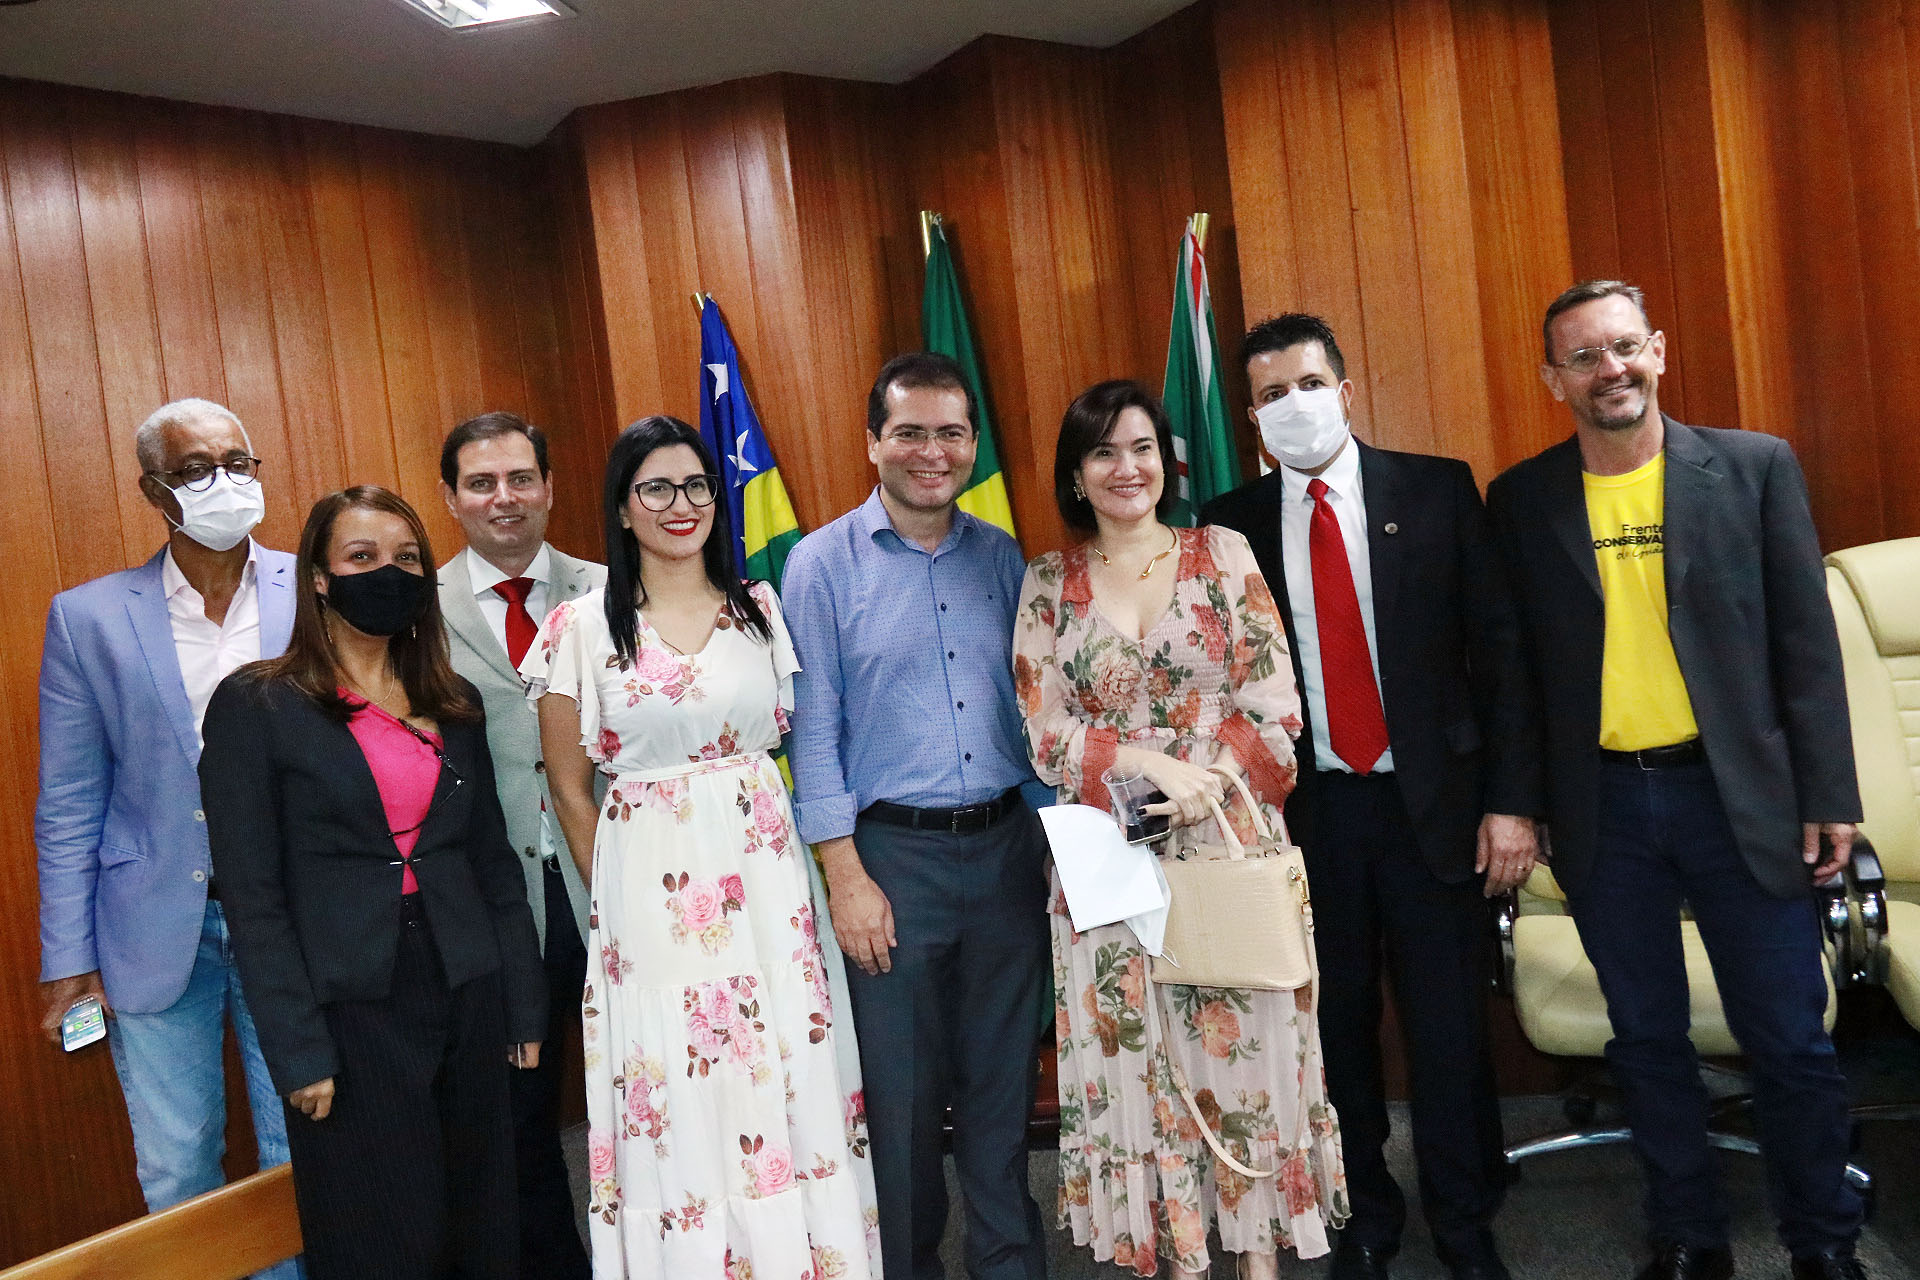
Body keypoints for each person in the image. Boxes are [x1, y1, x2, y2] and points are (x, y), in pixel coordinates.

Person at [1486, 280, 1867, 1280]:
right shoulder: (1522, 500)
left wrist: (1830, 793)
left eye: (1623, 347)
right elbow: (1514, 675)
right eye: (1583, 357)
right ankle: (1690, 1234)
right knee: (1646, 1038)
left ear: (1657, 349)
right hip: (1604, 807)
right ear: (1553, 380)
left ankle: (1823, 1241)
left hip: (1739, 799)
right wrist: (1519, 801)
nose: (1608, 369)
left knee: (1788, 1035)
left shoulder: (1753, 467)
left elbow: (1807, 647)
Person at [1201, 314, 1539, 1280]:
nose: (1294, 405)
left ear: (1345, 391)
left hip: (1435, 810)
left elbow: (1501, 656)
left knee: (1448, 1031)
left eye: (1309, 384)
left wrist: (1513, 804)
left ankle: (1465, 1221)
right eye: (1271, 394)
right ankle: (1364, 1215)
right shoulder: (1226, 526)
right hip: (1310, 818)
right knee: (1335, 1031)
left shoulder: (1437, 489)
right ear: (1252, 418)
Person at [527, 416, 878, 1279]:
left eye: (696, 485)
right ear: (621, 505)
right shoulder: (580, 627)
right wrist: (617, 908)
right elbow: (569, 788)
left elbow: (802, 740)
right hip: (650, 897)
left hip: (766, 883)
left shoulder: (760, 609)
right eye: (655, 487)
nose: (679, 504)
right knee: (678, 1086)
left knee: (782, 1068)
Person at [1014, 378, 1346, 1279]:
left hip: (1228, 842)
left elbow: (1275, 702)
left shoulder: (1221, 552)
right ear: (1076, 475)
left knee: (1245, 1052)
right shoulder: (1046, 583)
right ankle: (1180, 1260)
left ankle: (1259, 1262)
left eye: (1142, 448)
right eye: (1103, 452)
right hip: (1109, 855)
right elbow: (1044, 731)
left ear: (1167, 461)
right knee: (1139, 1067)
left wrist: (1209, 784)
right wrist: (1148, 763)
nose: (1126, 468)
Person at [199, 485, 547, 1280]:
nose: (387, 573)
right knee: (383, 1236)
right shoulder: (258, 705)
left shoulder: (453, 702)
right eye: (362, 557)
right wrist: (297, 1052)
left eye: (406, 558)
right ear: (319, 578)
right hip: (350, 1006)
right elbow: (253, 900)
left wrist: (524, 1002)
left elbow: (492, 863)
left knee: (483, 1224)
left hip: (467, 983)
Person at [783, 352, 1051, 1280]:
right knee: (898, 1104)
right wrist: (844, 874)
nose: (931, 452)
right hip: (889, 862)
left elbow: (1033, 708)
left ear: (972, 444)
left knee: (1002, 1092)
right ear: (873, 443)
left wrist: (1055, 844)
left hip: (1007, 852)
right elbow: (812, 731)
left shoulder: (1003, 557)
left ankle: (1010, 1267)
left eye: (950, 433)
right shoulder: (820, 565)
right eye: (909, 432)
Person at [34, 397, 301, 1279]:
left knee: (298, 1153)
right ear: (155, 491)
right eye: (194, 469)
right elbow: (70, 800)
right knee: (179, 1165)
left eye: (237, 463)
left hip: (292, 917)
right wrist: (68, 961)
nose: (223, 482)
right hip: (152, 926)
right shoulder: (89, 618)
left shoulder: (314, 586)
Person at [438, 410, 602, 1280]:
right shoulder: (415, 608)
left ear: (549, 487)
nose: (504, 498)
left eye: (520, 478)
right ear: (452, 498)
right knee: (520, 1118)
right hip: (495, 905)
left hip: (610, 881)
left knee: (646, 1094)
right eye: (481, 483)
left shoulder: (613, 589)